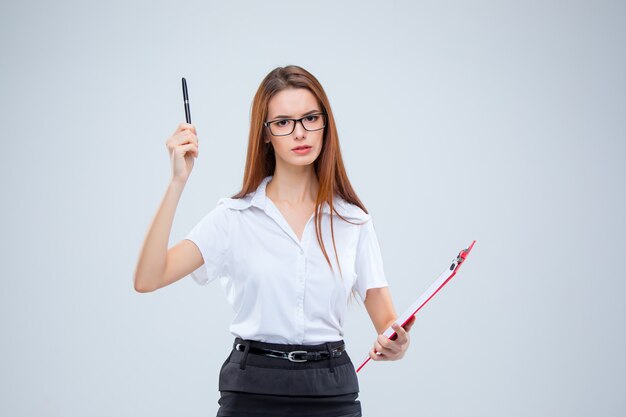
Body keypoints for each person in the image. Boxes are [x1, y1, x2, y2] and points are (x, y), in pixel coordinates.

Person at [134, 65, 416, 417]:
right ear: (265, 134)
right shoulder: (234, 217)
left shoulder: (353, 221)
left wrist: (396, 343)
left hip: (330, 392)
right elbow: (147, 278)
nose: (300, 133)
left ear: (325, 124)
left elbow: (388, 325)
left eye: (310, 118)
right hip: (253, 390)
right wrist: (177, 181)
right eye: (283, 123)